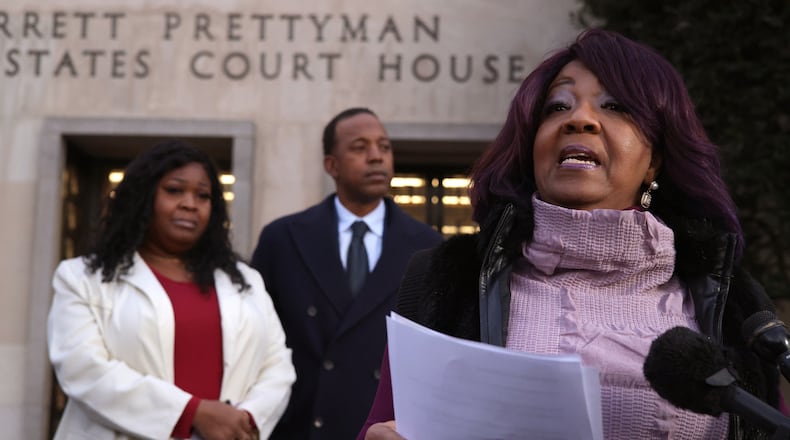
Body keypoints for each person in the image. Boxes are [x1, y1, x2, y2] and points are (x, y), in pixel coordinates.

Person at [359, 29, 781, 440]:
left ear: (654, 161)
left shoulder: (735, 303)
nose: (580, 119)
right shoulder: (446, 282)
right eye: (556, 107)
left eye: (616, 106)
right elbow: (383, 423)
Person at [47, 140, 296, 440]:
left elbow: (277, 364)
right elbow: (83, 369)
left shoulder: (245, 280)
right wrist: (192, 414)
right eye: (174, 190)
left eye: (202, 195)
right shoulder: (82, 278)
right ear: (142, 198)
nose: (190, 203)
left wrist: (244, 420)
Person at [250, 107, 444, 439]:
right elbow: (256, 342)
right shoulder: (282, 239)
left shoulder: (429, 247)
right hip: (299, 427)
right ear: (331, 165)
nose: (375, 157)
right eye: (360, 147)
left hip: (383, 430)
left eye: (384, 147)